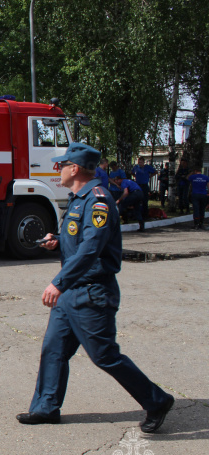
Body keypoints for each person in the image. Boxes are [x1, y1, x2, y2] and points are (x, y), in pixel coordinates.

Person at [16, 142, 174, 433]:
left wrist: (58, 282)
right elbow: (77, 240)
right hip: (72, 292)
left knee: (104, 355)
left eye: (62, 165)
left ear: (74, 169)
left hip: (91, 292)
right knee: (54, 349)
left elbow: (91, 249)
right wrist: (57, 241)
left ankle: (157, 400)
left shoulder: (98, 200)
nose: (58, 169)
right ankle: (46, 408)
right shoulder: (79, 198)